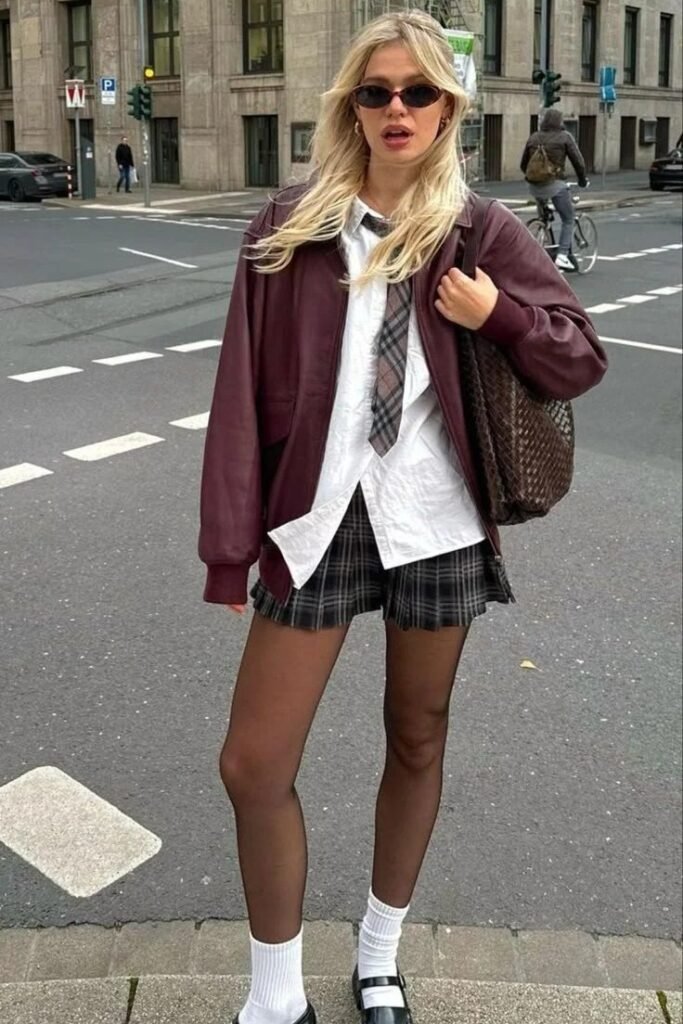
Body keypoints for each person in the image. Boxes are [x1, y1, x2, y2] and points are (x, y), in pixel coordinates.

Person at [199, 11, 607, 1024]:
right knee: (253, 763)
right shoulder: (290, 228)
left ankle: (378, 956)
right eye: (375, 92)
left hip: (434, 518)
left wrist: (497, 314)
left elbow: (575, 356)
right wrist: (226, 548)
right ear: (348, 105)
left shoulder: (480, 231)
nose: (395, 110)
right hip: (320, 516)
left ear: (446, 108)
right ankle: (274, 995)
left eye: (416, 93)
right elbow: (240, 397)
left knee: (415, 737)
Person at [521, 108, 588, 271]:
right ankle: (563, 255)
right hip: (555, 185)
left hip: (534, 187)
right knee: (568, 218)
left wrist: (536, 178)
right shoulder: (565, 137)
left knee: (545, 216)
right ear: (560, 122)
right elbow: (578, 161)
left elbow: (524, 164)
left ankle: (542, 228)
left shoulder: (534, 137)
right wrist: (582, 180)